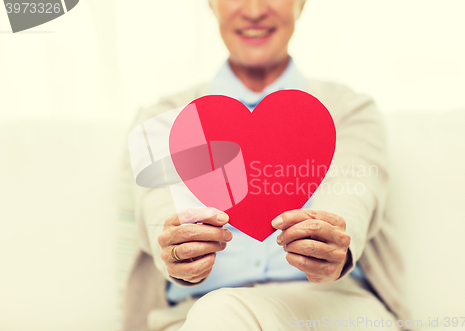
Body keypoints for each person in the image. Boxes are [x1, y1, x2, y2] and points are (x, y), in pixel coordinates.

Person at [120, 0, 410, 330]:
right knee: (218, 312)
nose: (255, 10)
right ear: (210, 4)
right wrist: (176, 248)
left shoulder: (349, 109)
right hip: (196, 313)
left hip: (333, 310)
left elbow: (356, 196)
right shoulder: (164, 117)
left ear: (301, 3)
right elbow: (157, 212)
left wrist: (334, 241)